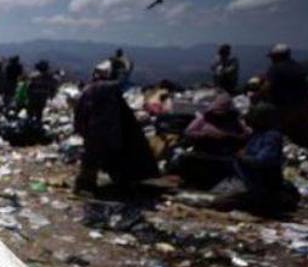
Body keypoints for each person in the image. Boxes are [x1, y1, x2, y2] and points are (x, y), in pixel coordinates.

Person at [73, 60, 159, 192]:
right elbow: (121, 82)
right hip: (110, 132)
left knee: (90, 160)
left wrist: (80, 129)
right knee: (111, 157)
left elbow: (80, 112)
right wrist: (126, 66)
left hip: (93, 132)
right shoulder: (108, 88)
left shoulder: (88, 90)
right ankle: (120, 182)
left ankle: (84, 185)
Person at [226, 102, 297, 214]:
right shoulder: (256, 135)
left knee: (223, 203)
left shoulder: (271, 136)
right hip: (251, 185)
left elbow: (262, 161)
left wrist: (243, 157)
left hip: (265, 188)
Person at [169, 93, 250, 188]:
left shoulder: (234, 120)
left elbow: (245, 135)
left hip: (224, 154)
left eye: (222, 111)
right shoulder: (204, 118)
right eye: (217, 110)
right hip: (203, 151)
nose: (219, 114)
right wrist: (205, 134)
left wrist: (228, 136)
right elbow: (188, 132)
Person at [261, 43, 308, 146]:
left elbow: (266, 88)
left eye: (273, 57)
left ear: (278, 56)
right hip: (303, 105)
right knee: (299, 133)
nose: (271, 59)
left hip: (285, 108)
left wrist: (258, 95)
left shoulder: (276, 68)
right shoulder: (298, 67)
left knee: (282, 133)